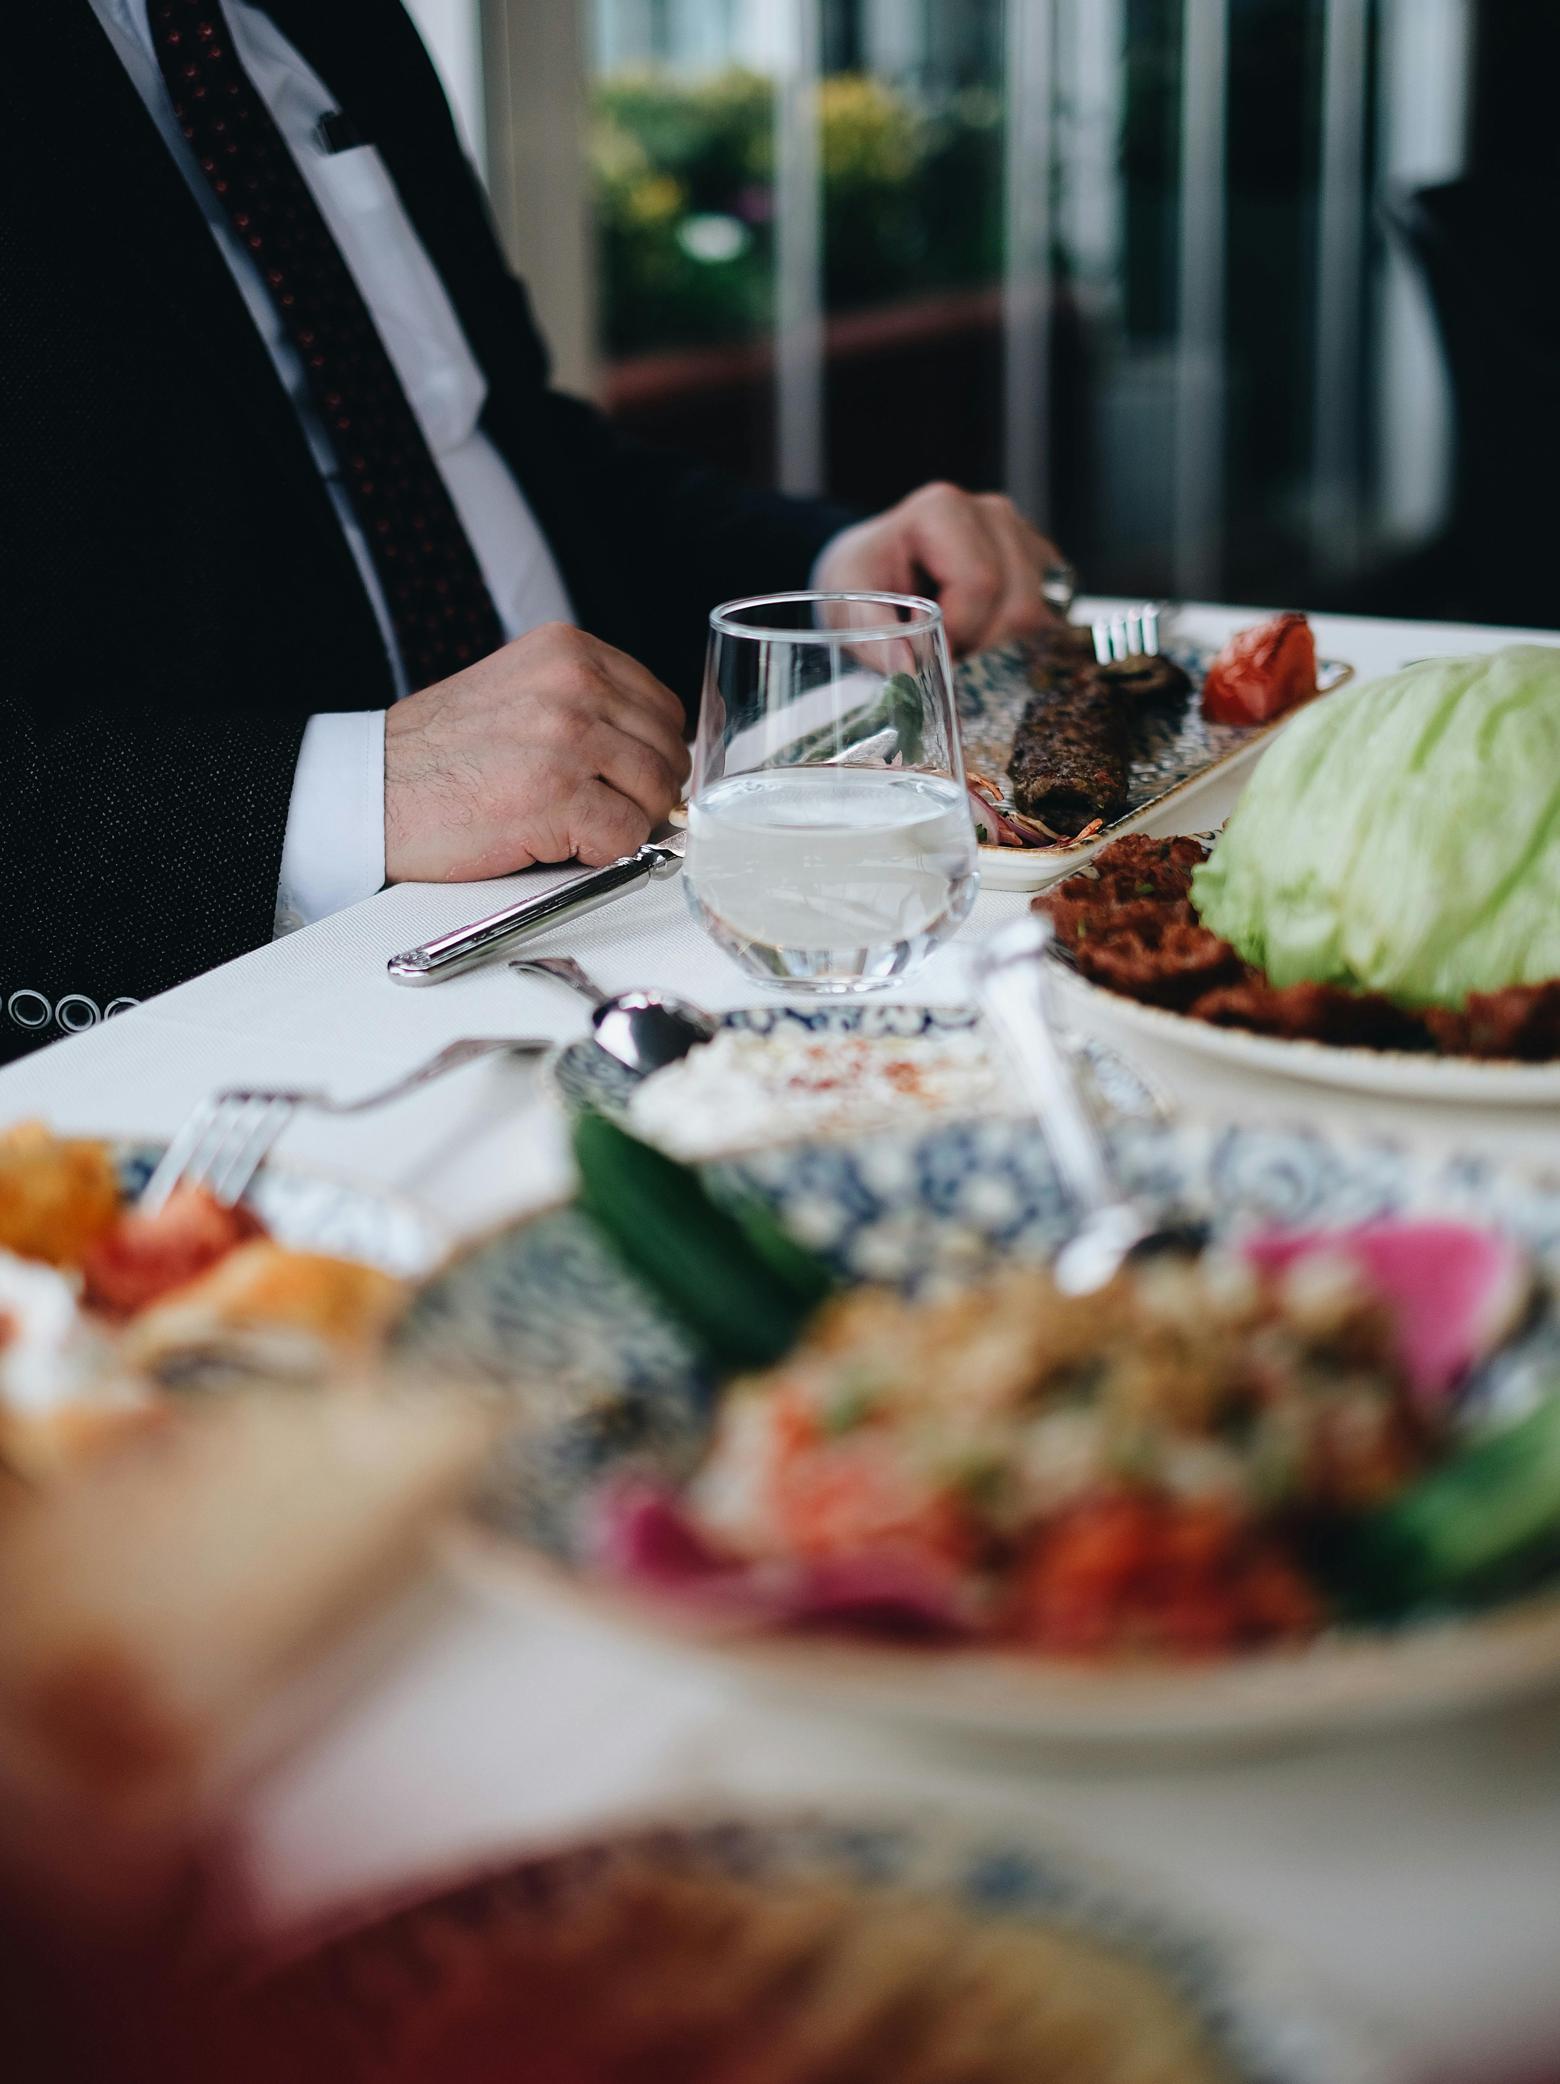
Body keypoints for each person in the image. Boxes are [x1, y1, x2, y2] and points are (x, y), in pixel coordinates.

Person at [1, 2, 1064, 1060]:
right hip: (236, 1011)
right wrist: (357, 790)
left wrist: (827, 573)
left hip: (635, 908)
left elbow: (500, 444)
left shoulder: (340, 28)